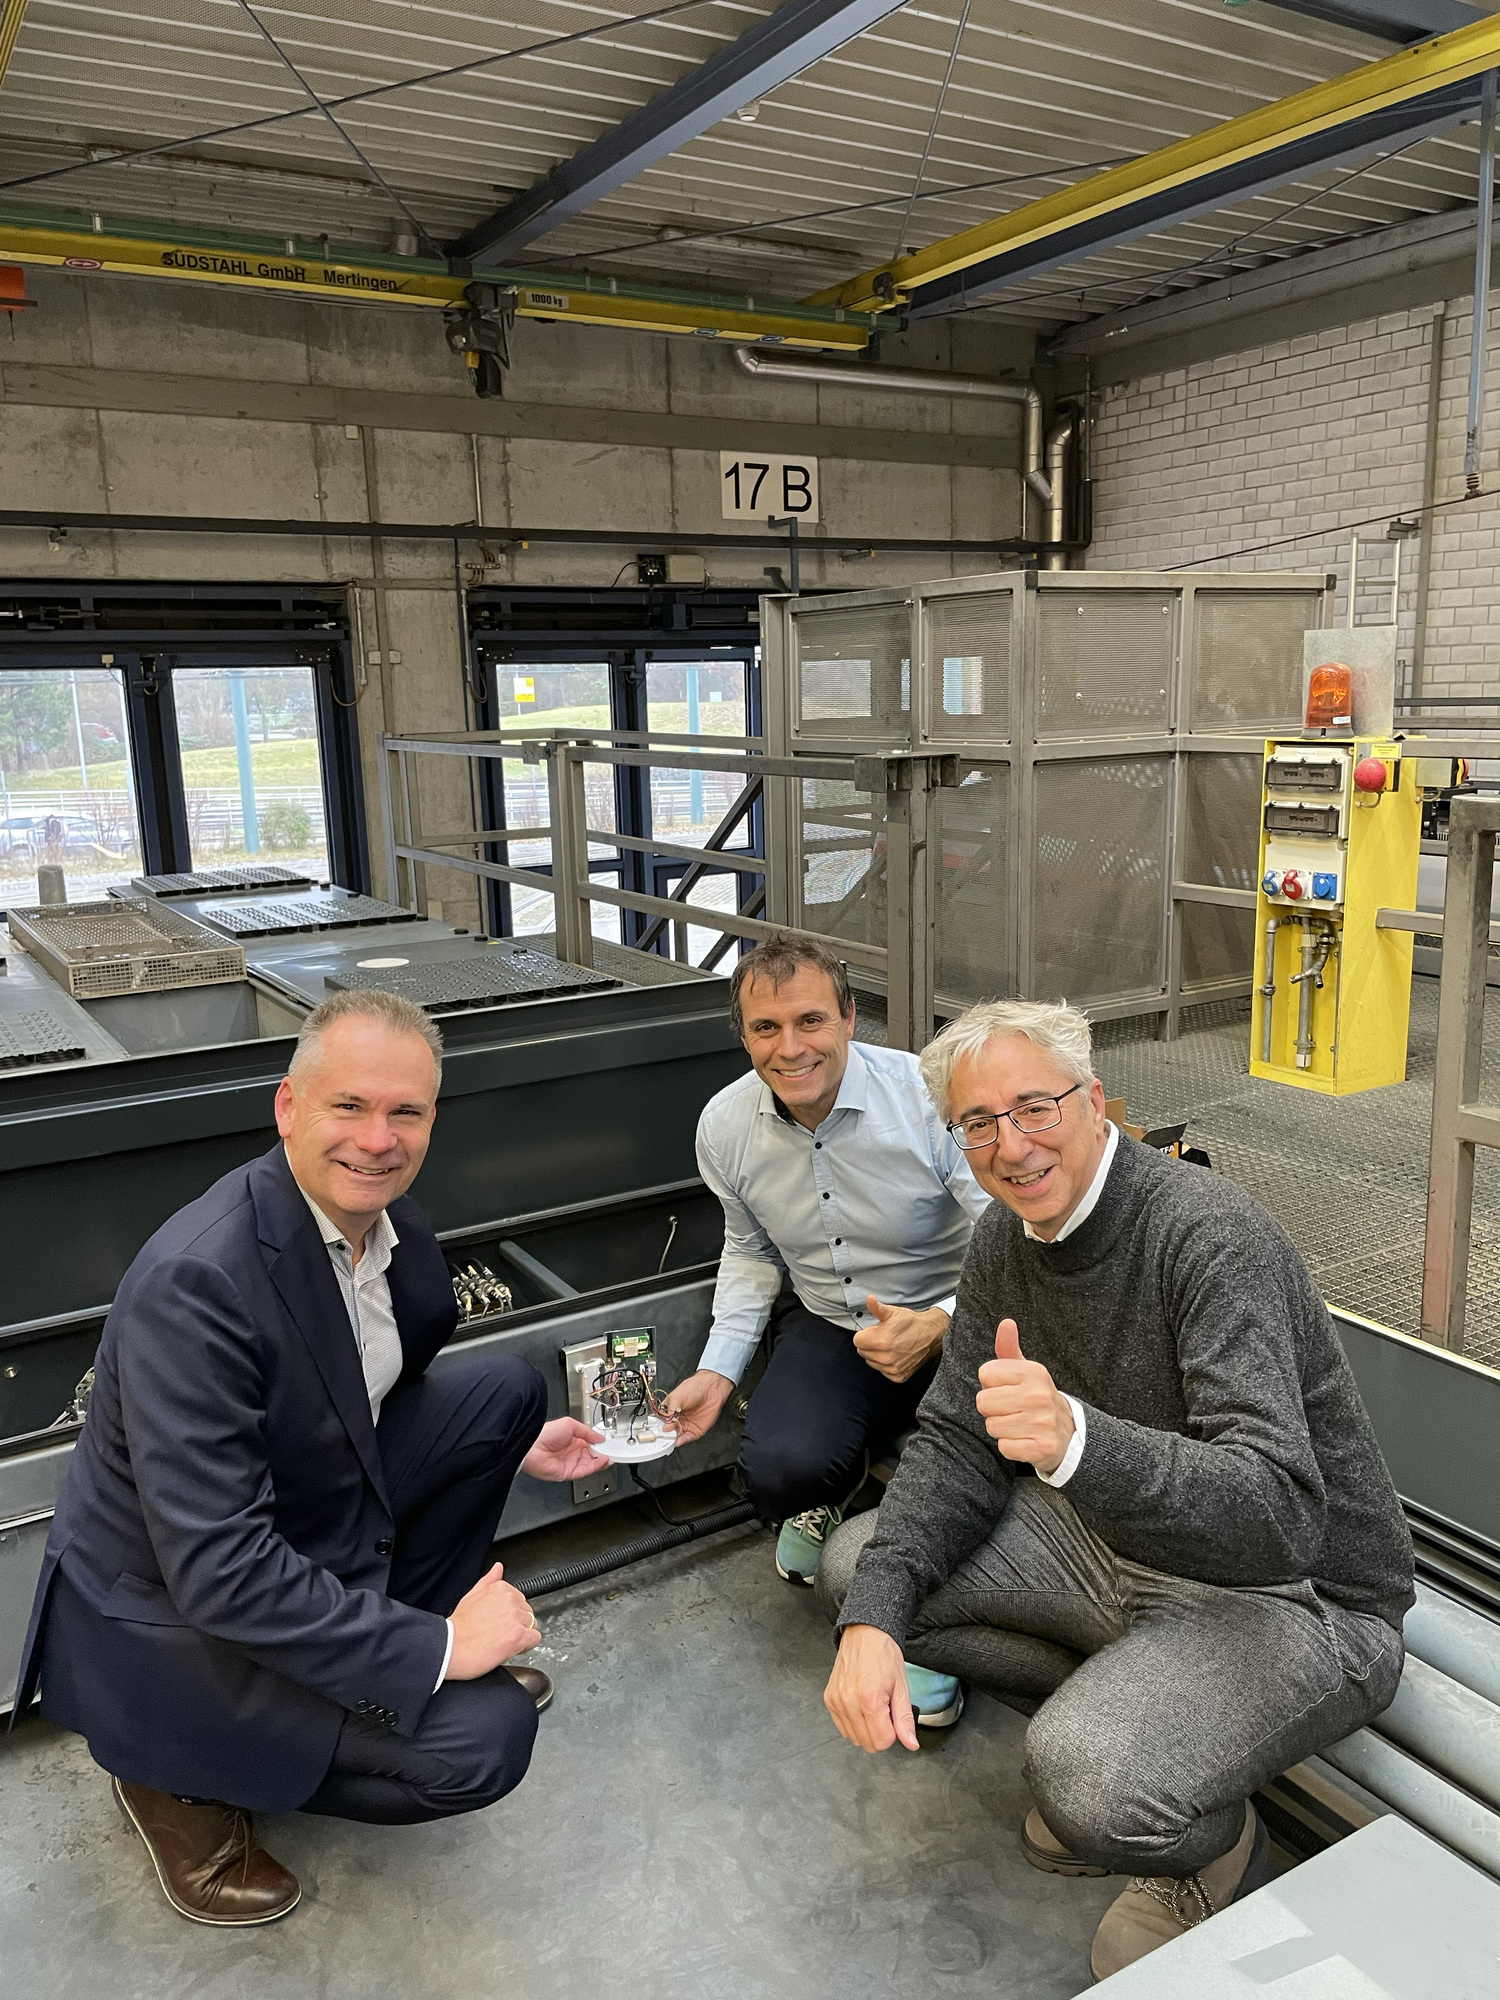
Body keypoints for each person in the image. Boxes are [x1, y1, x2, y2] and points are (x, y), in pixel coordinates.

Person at [817, 998, 1413, 1983]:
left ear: (1095, 1101)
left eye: (1036, 1106)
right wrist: (875, 1618)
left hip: (1299, 1595)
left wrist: (1079, 1440)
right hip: (1115, 1542)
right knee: (860, 1572)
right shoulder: (1004, 1244)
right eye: (979, 1121)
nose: (1011, 1145)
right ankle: (1137, 1721)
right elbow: (958, 1444)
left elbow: (1280, 1515)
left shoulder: (1207, 1236)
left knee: (1085, 1781)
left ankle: (1207, 1840)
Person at [13, 989, 603, 1927]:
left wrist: (513, 1451)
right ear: (288, 1107)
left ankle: (383, 1654)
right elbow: (219, 1572)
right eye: (350, 1106)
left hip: (281, 1513)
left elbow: (357, 1388)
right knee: (485, 1741)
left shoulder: (396, 1235)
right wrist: (444, 1649)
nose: (379, 1139)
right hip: (176, 1610)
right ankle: (173, 1783)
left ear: (432, 1119)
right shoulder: (198, 1285)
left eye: (405, 1111)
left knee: (503, 1399)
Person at [665, 934, 988, 1725]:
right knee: (777, 1471)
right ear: (742, 1036)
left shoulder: (925, 1096)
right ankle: (829, 1496)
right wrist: (717, 1368)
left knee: (974, 1474)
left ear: (849, 1018)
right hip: (830, 1322)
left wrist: (942, 1324)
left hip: (956, 1312)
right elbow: (749, 1253)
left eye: (810, 1020)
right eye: (765, 1028)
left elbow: (1004, 1237)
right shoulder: (724, 1126)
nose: (790, 1047)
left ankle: (928, 1629)